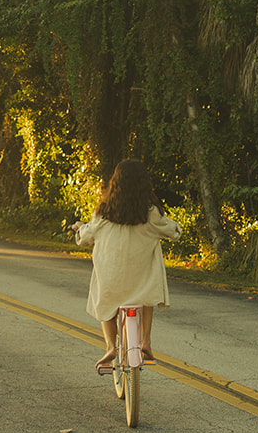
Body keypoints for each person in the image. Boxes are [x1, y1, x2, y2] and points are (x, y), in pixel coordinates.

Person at [75, 159, 182, 375]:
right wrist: (175, 228)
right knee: (148, 293)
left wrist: (79, 229)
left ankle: (110, 348)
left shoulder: (104, 211)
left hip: (111, 281)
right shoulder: (151, 212)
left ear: (116, 182)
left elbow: (85, 237)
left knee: (104, 300)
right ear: (144, 184)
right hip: (140, 281)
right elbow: (174, 233)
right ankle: (145, 343)